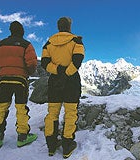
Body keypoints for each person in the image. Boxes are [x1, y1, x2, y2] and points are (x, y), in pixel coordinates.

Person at [41, 17, 85, 158]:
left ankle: (51, 145)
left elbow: (45, 63)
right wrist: (67, 73)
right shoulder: (76, 41)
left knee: (52, 113)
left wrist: (57, 71)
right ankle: (67, 145)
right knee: (71, 112)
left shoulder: (48, 43)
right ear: (69, 26)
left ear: (58, 27)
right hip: (71, 81)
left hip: (54, 81)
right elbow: (77, 60)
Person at [0, 21, 38, 148]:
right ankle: (22, 136)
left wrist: (3, 71)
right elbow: (32, 63)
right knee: (21, 108)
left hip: (4, 80)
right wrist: (27, 73)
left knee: (2, 107)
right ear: (21, 31)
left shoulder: (0, 45)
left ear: (10, 31)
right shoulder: (26, 44)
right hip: (20, 80)